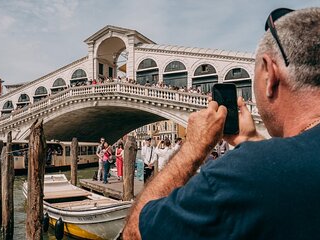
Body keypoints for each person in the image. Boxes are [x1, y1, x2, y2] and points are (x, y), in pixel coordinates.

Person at [123, 7, 320, 240]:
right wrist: (253, 140)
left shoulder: (242, 173)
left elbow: (135, 233)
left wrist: (193, 148)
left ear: (270, 75)